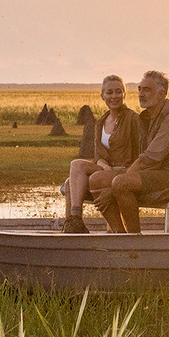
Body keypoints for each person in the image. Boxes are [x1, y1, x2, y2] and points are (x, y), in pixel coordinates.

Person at [93, 70, 169, 233]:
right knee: (97, 180)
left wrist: (114, 187)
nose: (141, 94)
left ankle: (134, 238)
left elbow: (148, 158)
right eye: (139, 89)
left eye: (147, 90)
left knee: (121, 183)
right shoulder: (148, 117)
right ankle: (118, 233)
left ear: (161, 94)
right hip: (157, 170)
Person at [61, 75, 140, 233]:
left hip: (125, 172)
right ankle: (74, 222)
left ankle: (117, 232)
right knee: (74, 172)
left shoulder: (133, 119)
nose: (114, 96)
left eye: (118, 92)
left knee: (81, 181)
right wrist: (104, 165)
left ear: (124, 94)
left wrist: (118, 172)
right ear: (102, 96)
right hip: (107, 171)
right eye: (109, 92)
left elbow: (141, 153)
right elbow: (98, 156)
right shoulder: (101, 122)